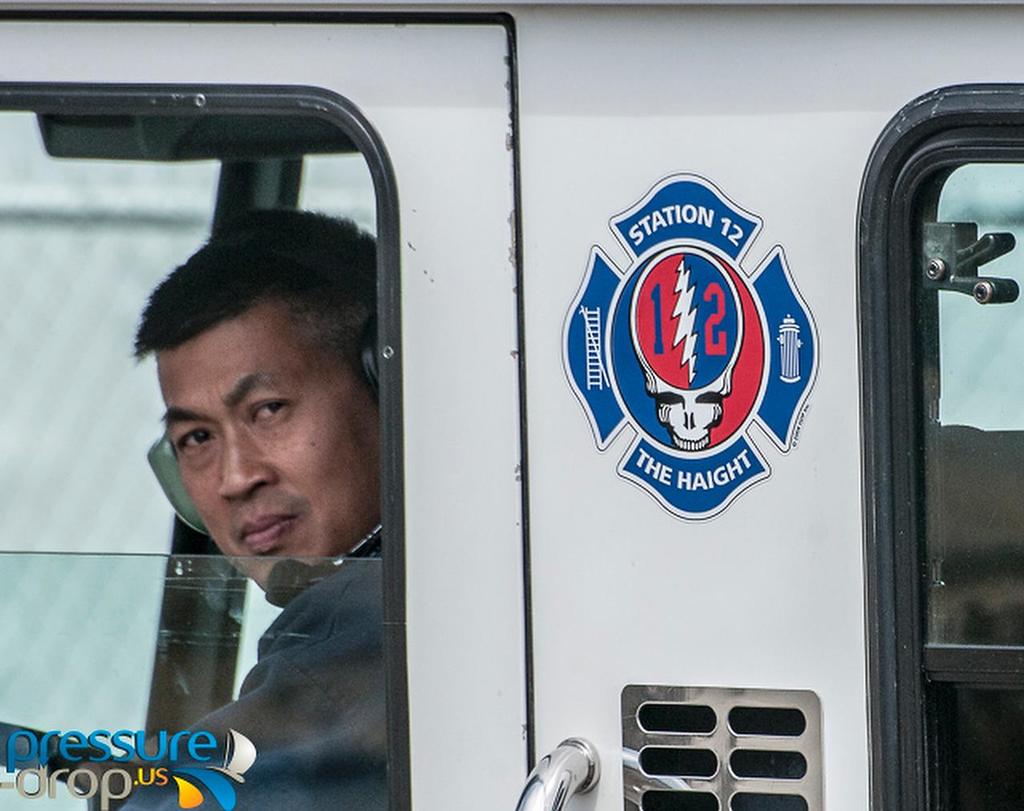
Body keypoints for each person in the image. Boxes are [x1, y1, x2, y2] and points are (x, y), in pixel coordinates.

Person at [127, 209, 387, 809]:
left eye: (268, 410)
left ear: (386, 388)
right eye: (197, 439)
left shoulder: (353, 653)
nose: (236, 477)